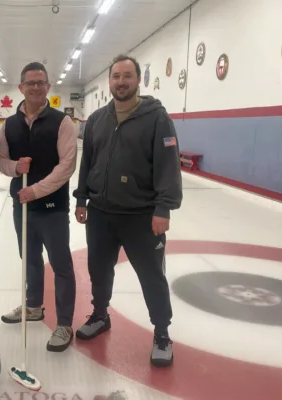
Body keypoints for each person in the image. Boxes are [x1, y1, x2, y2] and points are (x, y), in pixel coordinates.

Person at [72, 54, 183, 367]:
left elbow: (168, 166)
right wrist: (82, 198)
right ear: (109, 82)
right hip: (101, 213)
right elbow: (88, 162)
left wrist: (164, 207)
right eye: (116, 76)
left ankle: (162, 333)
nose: (121, 82)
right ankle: (100, 315)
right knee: (99, 270)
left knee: (151, 276)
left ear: (138, 80)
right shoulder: (96, 120)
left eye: (127, 76)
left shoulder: (157, 117)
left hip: (142, 215)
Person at [0, 62, 77, 352]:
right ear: (20, 87)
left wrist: (36, 190)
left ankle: (65, 324)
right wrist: (15, 168)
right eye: (30, 83)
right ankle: (33, 306)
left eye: (40, 82)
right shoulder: (9, 124)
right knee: (29, 258)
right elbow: (1, 160)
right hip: (23, 206)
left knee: (61, 264)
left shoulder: (62, 122)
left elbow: (67, 166)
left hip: (52, 208)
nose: (35, 87)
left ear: (48, 87)